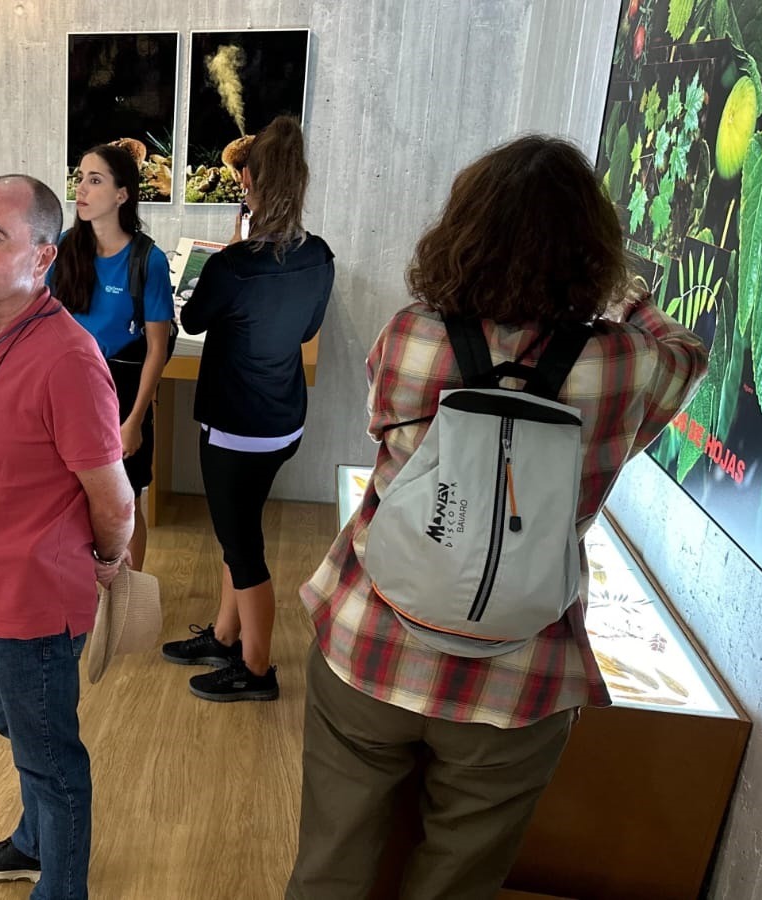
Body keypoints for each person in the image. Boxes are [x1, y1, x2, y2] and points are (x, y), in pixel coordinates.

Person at [285, 136, 708, 899]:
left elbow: (381, 422)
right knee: (459, 880)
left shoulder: (412, 335)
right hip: (520, 674)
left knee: (330, 867)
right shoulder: (624, 364)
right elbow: (688, 355)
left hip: (372, 639)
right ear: (594, 251)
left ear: (460, 231)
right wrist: (626, 295)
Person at [0, 175, 134, 899]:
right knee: (22, 735)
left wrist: (108, 559)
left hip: (32, 603)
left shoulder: (68, 359)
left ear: (43, 256)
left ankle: (62, 887)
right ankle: (32, 844)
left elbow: (113, 499)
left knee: (51, 760)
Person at [160, 116, 334, 703]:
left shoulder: (233, 266)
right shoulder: (320, 257)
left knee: (242, 547)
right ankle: (225, 635)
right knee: (241, 530)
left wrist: (232, 253)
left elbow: (192, 318)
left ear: (249, 181)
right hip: (283, 423)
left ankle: (256, 670)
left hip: (235, 428)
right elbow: (306, 329)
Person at [52, 144, 173, 570]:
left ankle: (125, 590)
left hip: (122, 393)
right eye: (80, 178)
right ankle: (79, 585)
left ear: (122, 194)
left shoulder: (147, 260)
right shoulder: (66, 248)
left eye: (95, 180)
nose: (81, 189)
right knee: (68, 495)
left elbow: (157, 349)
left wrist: (134, 420)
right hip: (68, 392)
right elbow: (41, 321)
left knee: (125, 500)